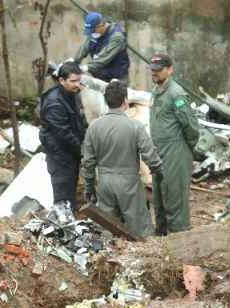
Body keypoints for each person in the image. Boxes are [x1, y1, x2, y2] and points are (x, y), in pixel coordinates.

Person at [82, 80, 162, 238]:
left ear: (106, 101)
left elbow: (88, 163)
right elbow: (150, 157)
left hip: (104, 183)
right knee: (141, 229)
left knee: (107, 227)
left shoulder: (94, 127)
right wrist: (159, 171)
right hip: (129, 183)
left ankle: (108, 258)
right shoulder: (135, 126)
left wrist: (89, 187)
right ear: (125, 101)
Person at [149, 53, 200, 235]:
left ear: (170, 70)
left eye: (159, 70)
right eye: (152, 70)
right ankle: (163, 237)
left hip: (175, 150)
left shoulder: (176, 94)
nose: (154, 74)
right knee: (159, 196)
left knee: (175, 196)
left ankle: (180, 239)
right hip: (159, 151)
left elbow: (191, 126)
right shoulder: (156, 91)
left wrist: (186, 148)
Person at [39, 62, 88, 215]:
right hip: (60, 157)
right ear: (61, 80)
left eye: (79, 80)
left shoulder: (71, 95)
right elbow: (63, 133)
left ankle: (70, 221)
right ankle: (63, 229)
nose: (77, 84)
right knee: (62, 199)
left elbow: (78, 123)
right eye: (73, 81)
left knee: (70, 195)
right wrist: (83, 150)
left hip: (70, 155)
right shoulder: (55, 102)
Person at [74, 12, 130, 83]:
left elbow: (103, 58)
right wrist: (73, 62)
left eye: (93, 30)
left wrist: (85, 67)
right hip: (101, 75)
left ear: (102, 25)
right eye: (91, 31)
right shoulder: (94, 33)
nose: (92, 33)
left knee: (116, 93)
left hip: (117, 76)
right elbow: (84, 48)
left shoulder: (116, 36)